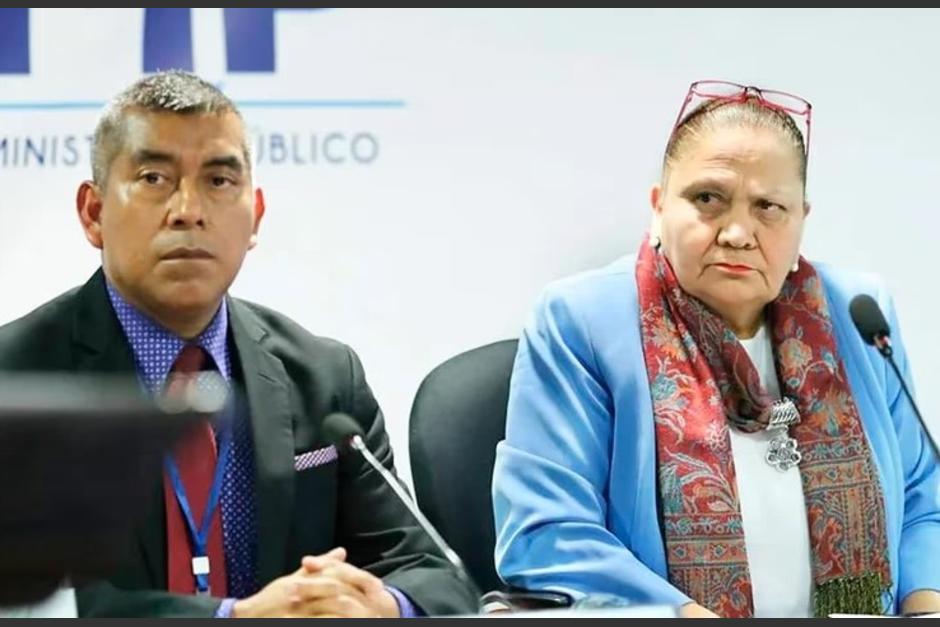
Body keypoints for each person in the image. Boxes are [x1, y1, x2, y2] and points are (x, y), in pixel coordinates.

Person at [0, 70, 478, 618]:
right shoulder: (17, 379)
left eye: (219, 180)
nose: (188, 209)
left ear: (256, 217)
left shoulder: (323, 378)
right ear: (94, 213)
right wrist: (235, 619)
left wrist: (382, 605)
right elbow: (39, 602)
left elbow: (433, 571)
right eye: (154, 178)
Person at [492, 80, 940, 618]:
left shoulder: (857, 314)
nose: (737, 233)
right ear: (658, 207)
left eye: (768, 206)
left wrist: (925, 610)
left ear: (801, 219)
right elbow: (548, 531)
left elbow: (923, 499)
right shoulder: (583, 321)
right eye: (708, 199)